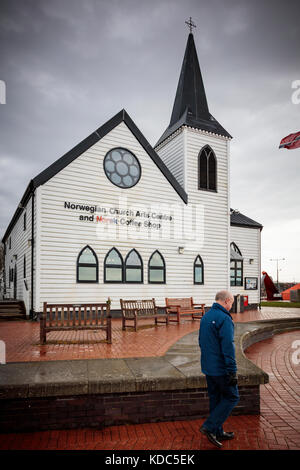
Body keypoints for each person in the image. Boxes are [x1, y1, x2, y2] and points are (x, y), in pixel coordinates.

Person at [198, 290, 239, 448]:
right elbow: (228, 346)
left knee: (216, 399)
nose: (231, 307)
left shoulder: (206, 316)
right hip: (221, 369)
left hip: (208, 367)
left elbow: (201, 342)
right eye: (231, 304)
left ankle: (218, 431)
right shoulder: (224, 318)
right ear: (227, 301)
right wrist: (232, 370)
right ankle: (209, 427)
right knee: (232, 397)